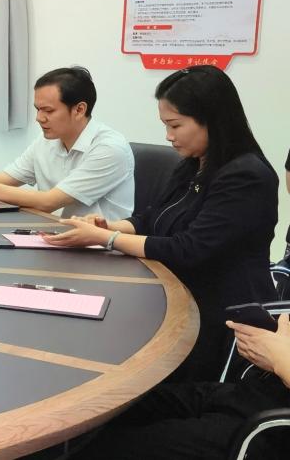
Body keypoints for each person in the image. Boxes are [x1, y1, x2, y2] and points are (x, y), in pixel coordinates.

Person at [44, 65, 277, 382]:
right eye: (165, 125)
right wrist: (109, 227)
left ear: (212, 119)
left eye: (175, 125)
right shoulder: (194, 164)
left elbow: (189, 249)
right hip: (176, 297)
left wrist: (106, 239)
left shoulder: (246, 176)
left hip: (220, 320)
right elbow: (153, 218)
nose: (168, 136)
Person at [72, 310, 290, 458]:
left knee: (106, 447)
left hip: (269, 427)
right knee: (116, 403)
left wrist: (278, 357)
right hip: (251, 391)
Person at [0, 66, 135, 220]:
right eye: (37, 109)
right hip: (50, 234)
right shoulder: (47, 140)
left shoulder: (109, 149)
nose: (39, 118)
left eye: (48, 111)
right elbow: (4, 179)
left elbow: (48, 202)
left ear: (79, 110)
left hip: (99, 249)